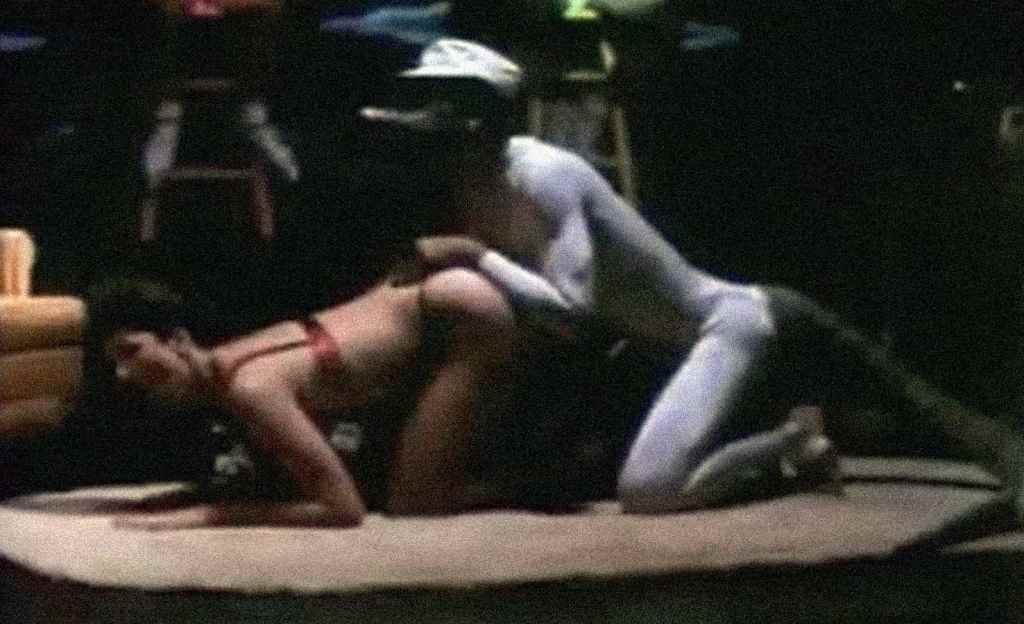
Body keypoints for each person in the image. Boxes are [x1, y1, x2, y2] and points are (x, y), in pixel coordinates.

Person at [367, 39, 1024, 525]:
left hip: (727, 324)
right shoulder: (476, 184)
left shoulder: (545, 173)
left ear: (478, 114)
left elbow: (573, 310)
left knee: (649, 491)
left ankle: (790, 444)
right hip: (654, 348)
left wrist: (475, 256)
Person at [105, 265, 517, 529]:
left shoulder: (251, 388)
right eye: (116, 363)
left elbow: (343, 510)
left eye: (131, 350)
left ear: (178, 340)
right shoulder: (228, 368)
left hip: (462, 315)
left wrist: (206, 516)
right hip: (431, 299)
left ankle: (533, 482)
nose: (124, 374)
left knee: (413, 504)